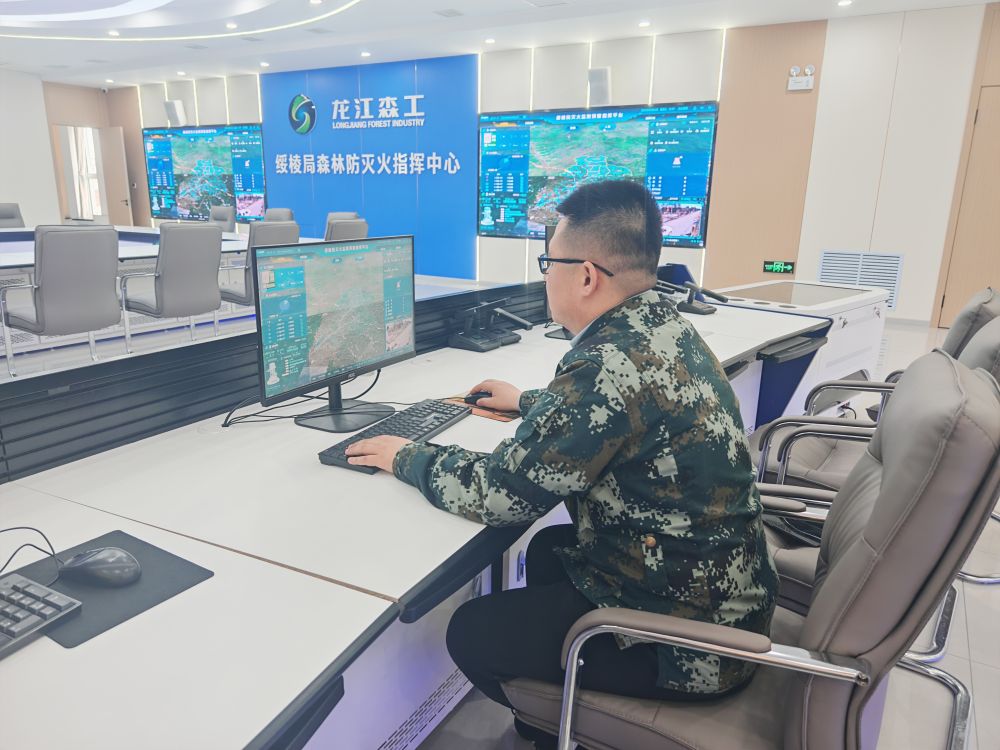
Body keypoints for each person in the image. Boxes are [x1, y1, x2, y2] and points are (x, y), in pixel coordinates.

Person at [346, 180, 778, 747]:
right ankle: (554, 726)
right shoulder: (660, 325)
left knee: (472, 633)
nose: (546, 274)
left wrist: (406, 455)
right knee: (552, 550)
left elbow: (500, 496)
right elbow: (627, 413)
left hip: (690, 646)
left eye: (549, 262)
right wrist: (531, 402)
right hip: (728, 602)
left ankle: (564, 724)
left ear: (586, 276)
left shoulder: (604, 365)